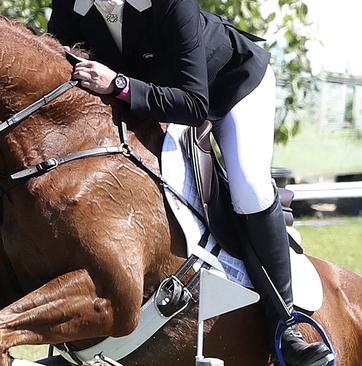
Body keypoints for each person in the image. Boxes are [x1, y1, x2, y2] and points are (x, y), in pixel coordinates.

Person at [47, 1, 333, 365]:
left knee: (248, 186)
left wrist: (117, 84)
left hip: (230, 88)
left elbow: (195, 103)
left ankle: (286, 324)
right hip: (153, 96)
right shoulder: (72, 4)